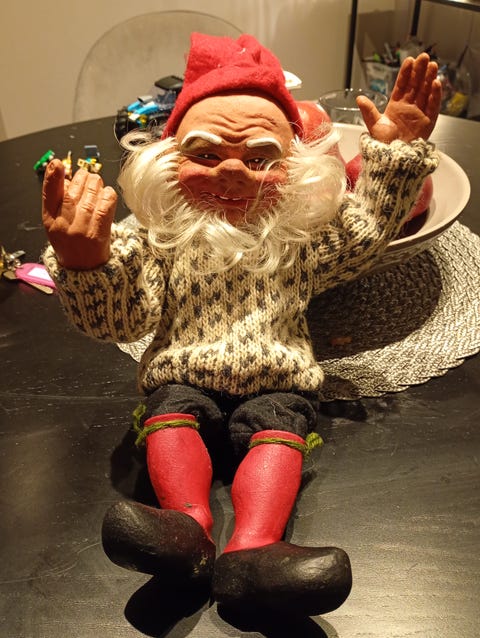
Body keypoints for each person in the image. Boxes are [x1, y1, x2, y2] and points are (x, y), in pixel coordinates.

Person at [42, 33, 441, 616]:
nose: (232, 173)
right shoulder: (158, 237)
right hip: (183, 374)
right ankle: (184, 529)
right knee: (171, 416)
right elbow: (123, 319)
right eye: (205, 155)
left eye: (259, 160)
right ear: (168, 160)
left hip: (277, 379)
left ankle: (255, 551)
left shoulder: (298, 239)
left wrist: (397, 152)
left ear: (295, 169)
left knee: (278, 434)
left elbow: (366, 230)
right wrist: (87, 264)